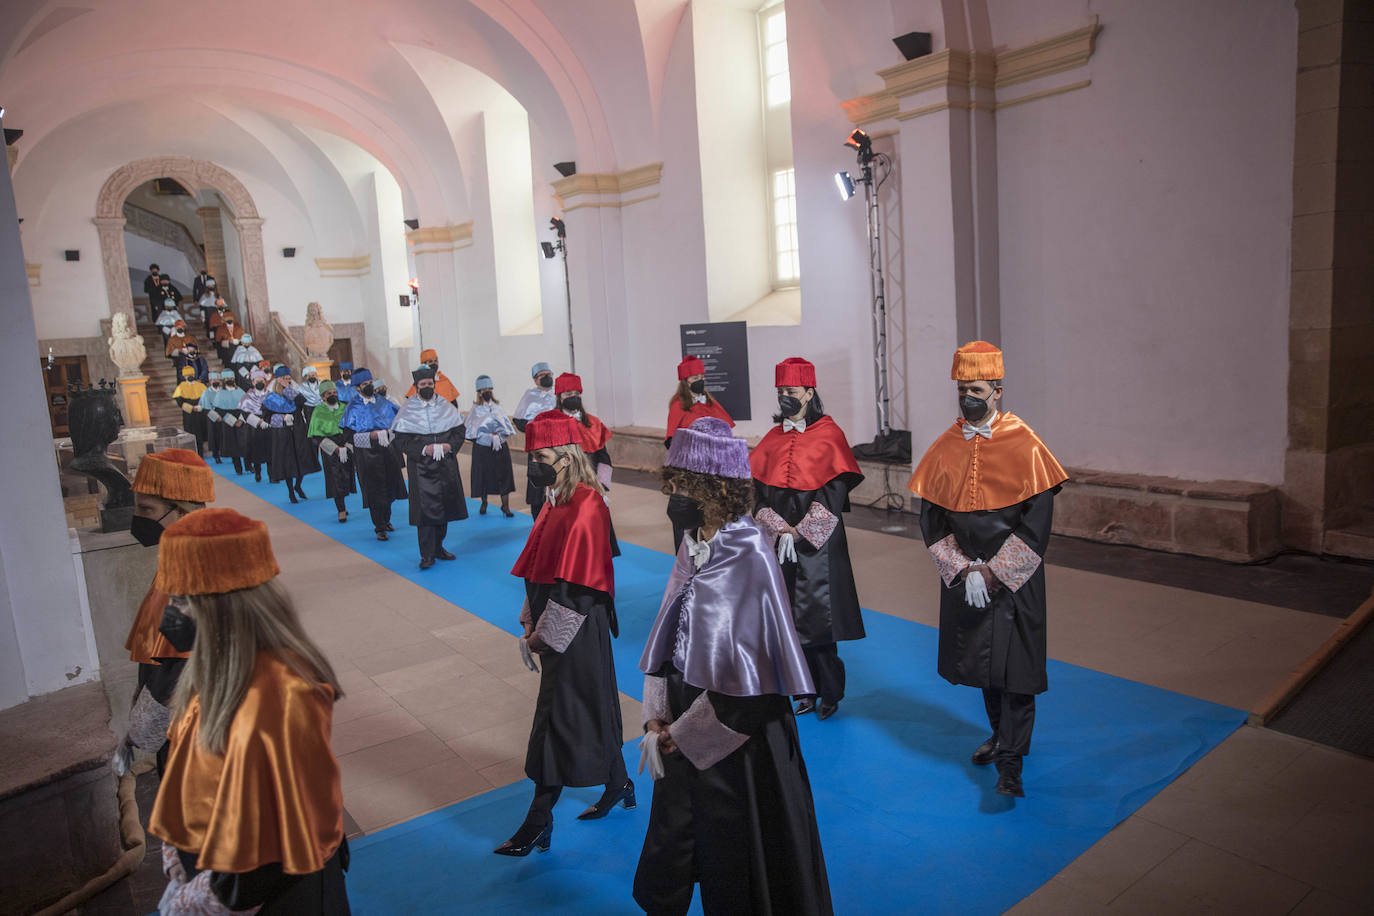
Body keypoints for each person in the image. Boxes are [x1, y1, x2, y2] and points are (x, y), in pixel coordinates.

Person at [634, 417, 831, 915]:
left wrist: (687, 734)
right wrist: (657, 714)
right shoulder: (692, 544)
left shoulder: (749, 553)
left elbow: (756, 684)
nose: (673, 495)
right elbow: (667, 635)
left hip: (737, 739)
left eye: (681, 484)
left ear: (710, 487)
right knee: (676, 848)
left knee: (736, 862)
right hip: (682, 722)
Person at [147, 508, 351, 914]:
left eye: (183, 601)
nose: (170, 613)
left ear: (224, 608)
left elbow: (269, 854)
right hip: (219, 868)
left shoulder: (278, 695)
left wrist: (196, 901)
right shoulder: (220, 668)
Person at [908, 341, 1068, 798]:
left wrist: (995, 572)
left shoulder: (1027, 444)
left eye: (976, 389)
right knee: (984, 665)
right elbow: (931, 521)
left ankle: (1012, 763)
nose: (967, 398)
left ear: (996, 390)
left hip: (1014, 580)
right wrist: (962, 570)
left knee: (1016, 671)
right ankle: (999, 736)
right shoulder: (945, 447)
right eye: (962, 389)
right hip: (968, 580)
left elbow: (1036, 526)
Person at [497, 410, 630, 856]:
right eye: (531, 454)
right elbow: (540, 565)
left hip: (573, 627)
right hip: (557, 620)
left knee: (558, 718)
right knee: (588, 707)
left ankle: (538, 821)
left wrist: (540, 636)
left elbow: (579, 588)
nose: (534, 462)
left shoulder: (588, 504)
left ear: (567, 455)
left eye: (542, 454)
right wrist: (527, 612)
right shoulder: (556, 500)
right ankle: (619, 783)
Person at [751, 357, 865, 721]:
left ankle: (829, 692)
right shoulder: (771, 438)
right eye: (781, 391)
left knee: (819, 619)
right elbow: (757, 495)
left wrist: (799, 531)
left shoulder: (829, 435)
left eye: (792, 391)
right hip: (778, 540)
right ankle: (802, 690)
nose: (785, 396)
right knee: (786, 619)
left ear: (809, 392)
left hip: (819, 541)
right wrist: (775, 526)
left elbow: (833, 493)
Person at [118, 449, 214, 779]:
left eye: (147, 509)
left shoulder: (194, 566)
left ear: (182, 511)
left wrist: (142, 729)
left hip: (196, 724)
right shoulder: (183, 554)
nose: (138, 518)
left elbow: (178, 663)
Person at [391, 366, 468, 568]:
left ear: (434, 385)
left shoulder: (446, 406)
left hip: (446, 465)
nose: (427, 387)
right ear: (416, 387)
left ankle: (439, 547)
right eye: (423, 384)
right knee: (425, 513)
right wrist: (424, 449)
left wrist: (449, 446)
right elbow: (400, 440)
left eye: (430, 384)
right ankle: (426, 554)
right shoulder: (407, 410)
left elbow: (460, 431)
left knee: (445, 507)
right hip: (421, 467)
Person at [340, 368, 406, 540]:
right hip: (367, 455)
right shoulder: (352, 407)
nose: (368, 386)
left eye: (370, 383)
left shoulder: (383, 402)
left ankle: (386, 520)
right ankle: (379, 526)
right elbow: (347, 436)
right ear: (357, 387)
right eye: (364, 384)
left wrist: (389, 434)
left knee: (390, 487)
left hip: (387, 451)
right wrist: (371, 436)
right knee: (375, 490)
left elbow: (398, 423)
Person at [262, 366, 319, 504]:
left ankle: (298, 485)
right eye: (284, 379)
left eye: (289, 379)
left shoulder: (293, 393)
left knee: (302, 459)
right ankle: (291, 492)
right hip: (283, 433)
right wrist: (281, 418)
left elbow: (301, 402)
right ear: (278, 380)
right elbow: (266, 417)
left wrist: (288, 389)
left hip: (298, 431)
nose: (287, 381)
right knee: (288, 463)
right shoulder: (271, 397)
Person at [465, 374, 516, 517]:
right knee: (484, 475)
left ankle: (505, 506)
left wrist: (499, 437)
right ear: (479, 392)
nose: (487, 392)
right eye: (483, 389)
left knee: (503, 475)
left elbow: (506, 425)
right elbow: (470, 431)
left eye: (489, 389)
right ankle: (484, 502)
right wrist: (487, 438)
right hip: (483, 448)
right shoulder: (475, 409)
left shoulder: (498, 406)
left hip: (500, 446)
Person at [555, 372, 613, 491]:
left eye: (577, 393)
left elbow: (603, 456)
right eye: (568, 393)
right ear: (560, 397)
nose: (573, 396)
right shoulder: (551, 423)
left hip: (590, 480)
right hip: (563, 482)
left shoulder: (593, 422)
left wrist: (601, 483)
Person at [308, 381, 356, 523]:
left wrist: (347, 446)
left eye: (334, 393)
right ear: (323, 396)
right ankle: (340, 509)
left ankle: (343, 503)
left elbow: (351, 427)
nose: (333, 395)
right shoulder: (318, 411)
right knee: (335, 479)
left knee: (346, 476)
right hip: (330, 449)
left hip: (346, 444)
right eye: (329, 394)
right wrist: (334, 449)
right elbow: (316, 436)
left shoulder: (344, 407)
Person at [239, 368, 273, 482]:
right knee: (256, 452)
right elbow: (244, 413)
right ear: (253, 382)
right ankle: (257, 473)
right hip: (254, 427)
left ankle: (272, 475)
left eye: (262, 381)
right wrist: (258, 421)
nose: (260, 383)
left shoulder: (270, 395)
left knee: (271, 451)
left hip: (268, 425)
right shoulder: (247, 396)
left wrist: (267, 420)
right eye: (257, 381)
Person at [212, 369, 247, 475]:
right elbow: (218, 410)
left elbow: (246, 407)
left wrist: (241, 419)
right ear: (223, 380)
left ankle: (248, 465)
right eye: (227, 378)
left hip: (241, 419)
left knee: (245, 443)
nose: (229, 380)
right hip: (228, 421)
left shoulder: (240, 391)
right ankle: (238, 468)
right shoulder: (220, 393)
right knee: (233, 445)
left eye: (231, 378)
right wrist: (232, 421)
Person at [172, 367, 209, 455]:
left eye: (191, 374)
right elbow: (179, 402)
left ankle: (201, 453)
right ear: (184, 376)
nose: (189, 376)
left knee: (201, 434)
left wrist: (201, 407)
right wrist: (191, 408)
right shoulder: (181, 387)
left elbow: (207, 399)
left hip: (200, 413)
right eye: (187, 375)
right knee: (190, 434)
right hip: (189, 415)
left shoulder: (201, 386)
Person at [512, 361, 557, 432]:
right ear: (535, 380)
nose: (546, 376)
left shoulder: (560, 393)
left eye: (549, 374)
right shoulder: (530, 395)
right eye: (542, 375)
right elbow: (519, 421)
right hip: (538, 435)